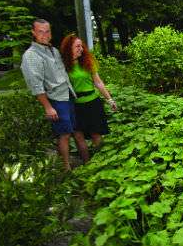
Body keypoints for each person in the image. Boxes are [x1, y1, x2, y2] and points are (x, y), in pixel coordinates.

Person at [21, 19, 89, 170]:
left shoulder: (53, 50)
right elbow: (36, 85)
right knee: (64, 135)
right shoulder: (31, 55)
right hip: (56, 101)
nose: (45, 35)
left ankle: (88, 164)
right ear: (33, 33)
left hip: (68, 96)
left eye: (47, 31)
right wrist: (48, 107)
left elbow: (62, 71)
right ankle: (66, 169)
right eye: (40, 31)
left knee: (77, 132)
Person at [60, 34, 117, 150]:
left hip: (92, 104)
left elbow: (98, 83)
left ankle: (101, 161)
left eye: (81, 46)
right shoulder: (63, 66)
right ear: (69, 48)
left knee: (96, 134)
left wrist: (110, 100)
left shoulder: (87, 62)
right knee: (79, 137)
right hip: (75, 106)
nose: (81, 49)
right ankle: (87, 164)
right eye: (77, 46)